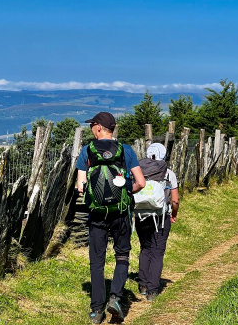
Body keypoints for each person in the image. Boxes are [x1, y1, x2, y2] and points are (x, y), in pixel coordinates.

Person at [76, 111, 145, 324]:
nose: (90, 129)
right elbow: (141, 183)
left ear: (98, 127)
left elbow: (80, 187)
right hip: (121, 213)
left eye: (91, 126)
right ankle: (115, 297)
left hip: (97, 214)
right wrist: (125, 192)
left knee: (96, 262)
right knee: (122, 255)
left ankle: (97, 310)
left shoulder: (87, 151)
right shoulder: (126, 150)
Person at [134, 143, 179, 301]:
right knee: (157, 251)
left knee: (145, 248)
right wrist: (173, 214)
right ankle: (153, 290)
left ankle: (143, 285)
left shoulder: (139, 171)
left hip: (141, 215)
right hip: (161, 216)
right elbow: (175, 201)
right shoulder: (169, 173)